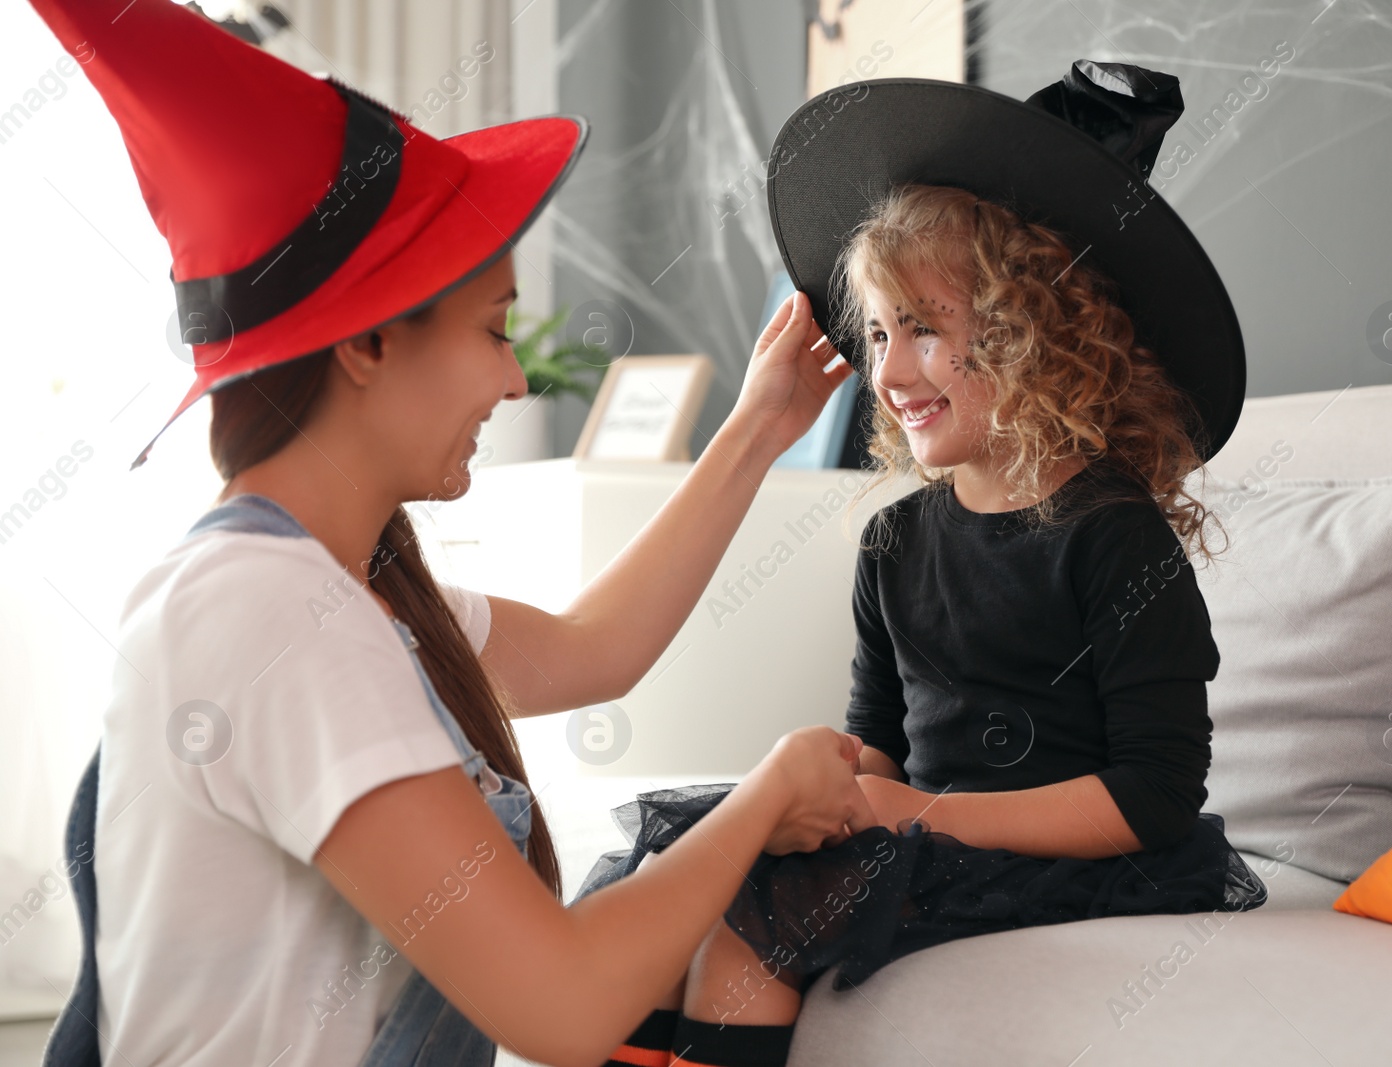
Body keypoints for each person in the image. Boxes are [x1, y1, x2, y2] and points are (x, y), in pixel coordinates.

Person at [29, 2, 873, 1066]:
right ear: (369, 342)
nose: (517, 376)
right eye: (492, 327)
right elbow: (562, 1006)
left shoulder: (335, 585)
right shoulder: (280, 611)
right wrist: (766, 795)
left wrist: (760, 422)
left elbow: (592, 647)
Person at [573, 63, 1267, 1067]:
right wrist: (844, 783)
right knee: (662, 903)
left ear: (1039, 335)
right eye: (881, 333)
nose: (887, 374)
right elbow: (884, 738)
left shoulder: (1113, 537)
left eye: (926, 331)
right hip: (923, 836)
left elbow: (1153, 795)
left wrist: (922, 811)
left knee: (745, 945)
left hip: (1063, 862)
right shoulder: (895, 542)